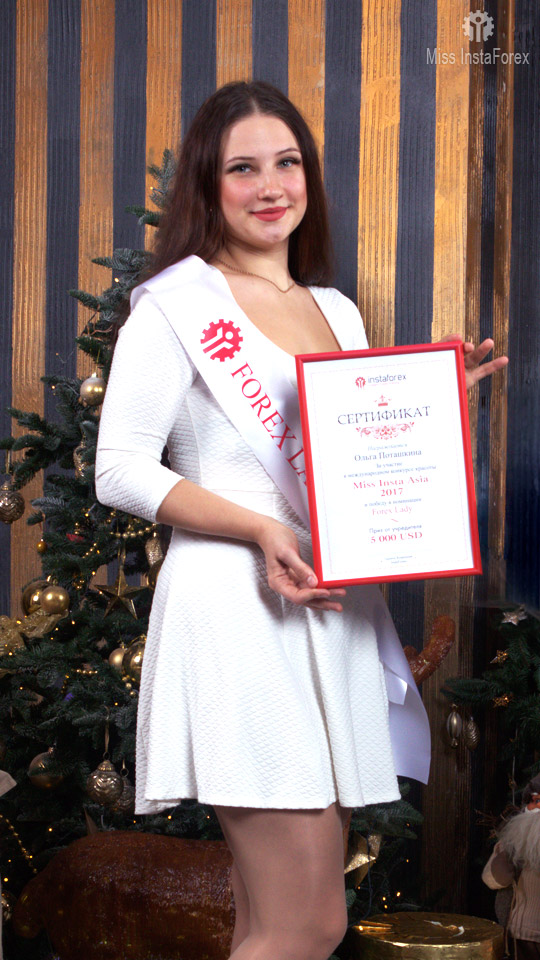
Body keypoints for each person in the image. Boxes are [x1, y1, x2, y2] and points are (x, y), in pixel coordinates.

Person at [95, 81, 508, 960]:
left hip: (329, 615)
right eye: (243, 168)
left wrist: (433, 408)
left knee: (268, 924)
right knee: (308, 925)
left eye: (287, 163)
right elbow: (119, 468)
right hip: (239, 609)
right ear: (207, 185)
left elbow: (350, 464)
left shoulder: (337, 311)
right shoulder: (176, 306)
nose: (271, 186)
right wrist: (260, 530)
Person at [482, 775, 540, 960]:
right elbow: (493, 880)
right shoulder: (514, 843)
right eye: (536, 801)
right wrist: (507, 852)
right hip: (521, 934)